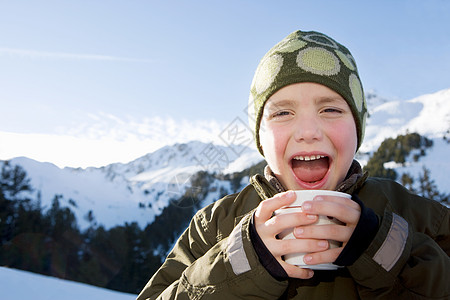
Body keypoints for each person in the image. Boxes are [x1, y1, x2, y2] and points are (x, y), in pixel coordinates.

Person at [136, 30, 450, 299]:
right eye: (283, 113)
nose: (308, 132)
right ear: (259, 134)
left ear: (358, 129)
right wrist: (243, 261)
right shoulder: (215, 226)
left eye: (330, 110)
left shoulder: (418, 217)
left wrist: (381, 246)